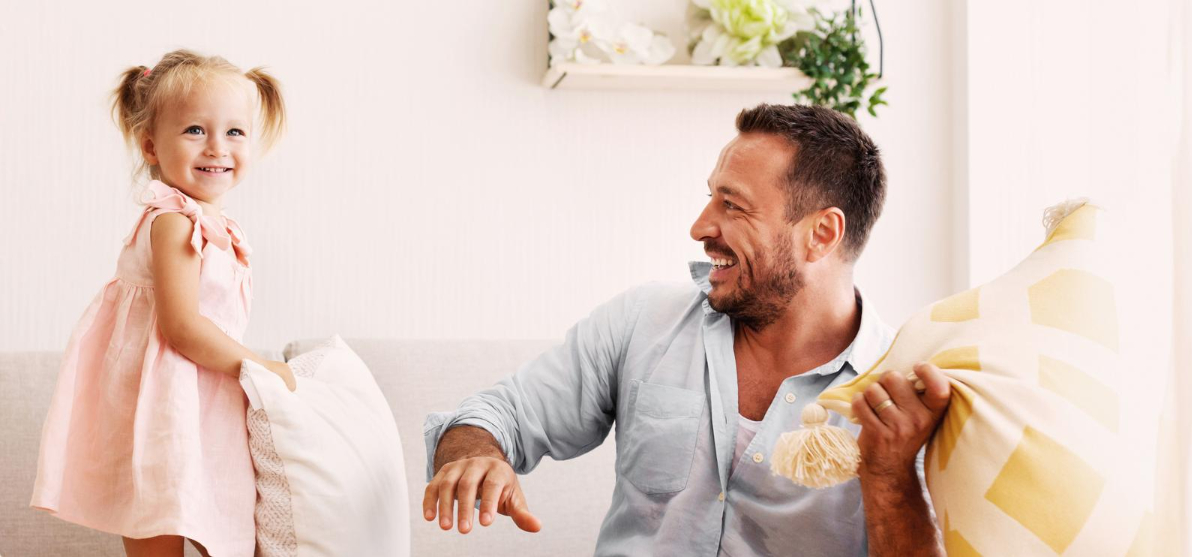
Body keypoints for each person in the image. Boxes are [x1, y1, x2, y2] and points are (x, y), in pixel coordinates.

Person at [423, 104, 952, 556]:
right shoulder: (643, 322)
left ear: (821, 234)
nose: (700, 227)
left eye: (732, 205)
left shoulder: (904, 396)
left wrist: (889, 478)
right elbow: (495, 416)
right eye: (710, 197)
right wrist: (474, 456)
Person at [30, 49, 292, 557]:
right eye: (195, 130)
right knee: (164, 533)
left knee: (231, 531)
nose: (216, 146)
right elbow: (182, 326)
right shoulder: (174, 220)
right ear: (151, 145)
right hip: (165, 409)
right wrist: (263, 366)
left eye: (234, 132)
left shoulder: (209, 222)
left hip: (201, 402)